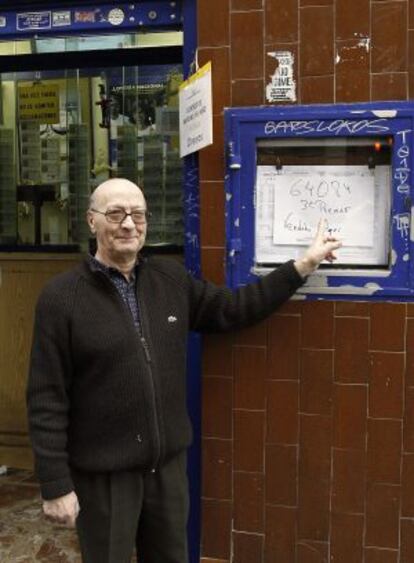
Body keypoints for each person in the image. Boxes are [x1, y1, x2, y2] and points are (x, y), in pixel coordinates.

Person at [26, 178, 341, 563]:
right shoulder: (61, 297)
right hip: (104, 478)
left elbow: (234, 308)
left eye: (137, 214)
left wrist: (302, 266)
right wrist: (55, 483)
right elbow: (46, 396)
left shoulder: (170, 279)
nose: (128, 224)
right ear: (92, 221)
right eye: (115, 213)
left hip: (166, 471)